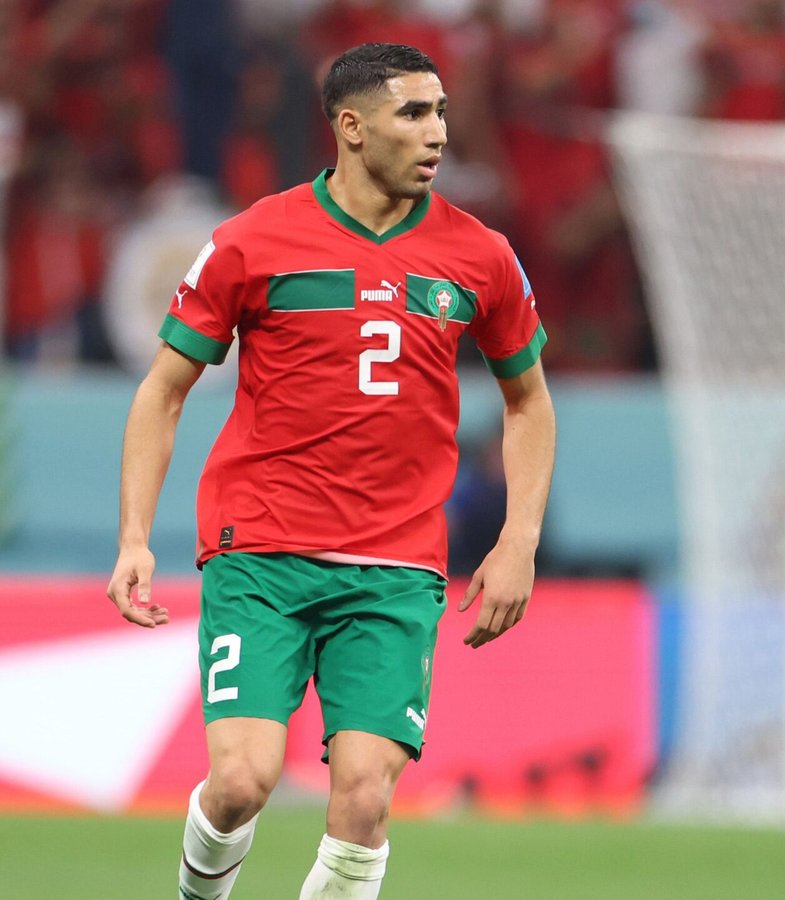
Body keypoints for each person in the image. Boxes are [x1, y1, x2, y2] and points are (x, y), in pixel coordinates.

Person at [104, 43, 555, 900]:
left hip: (394, 568)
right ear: (350, 127)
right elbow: (162, 391)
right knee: (240, 784)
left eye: (442, 112)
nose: (438, 134)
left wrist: (518, 538)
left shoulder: (481, 256)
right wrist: (133, 537)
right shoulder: (253, 241)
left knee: (364, 799)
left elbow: (530, 400)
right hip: (262, 553)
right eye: (414, 114)